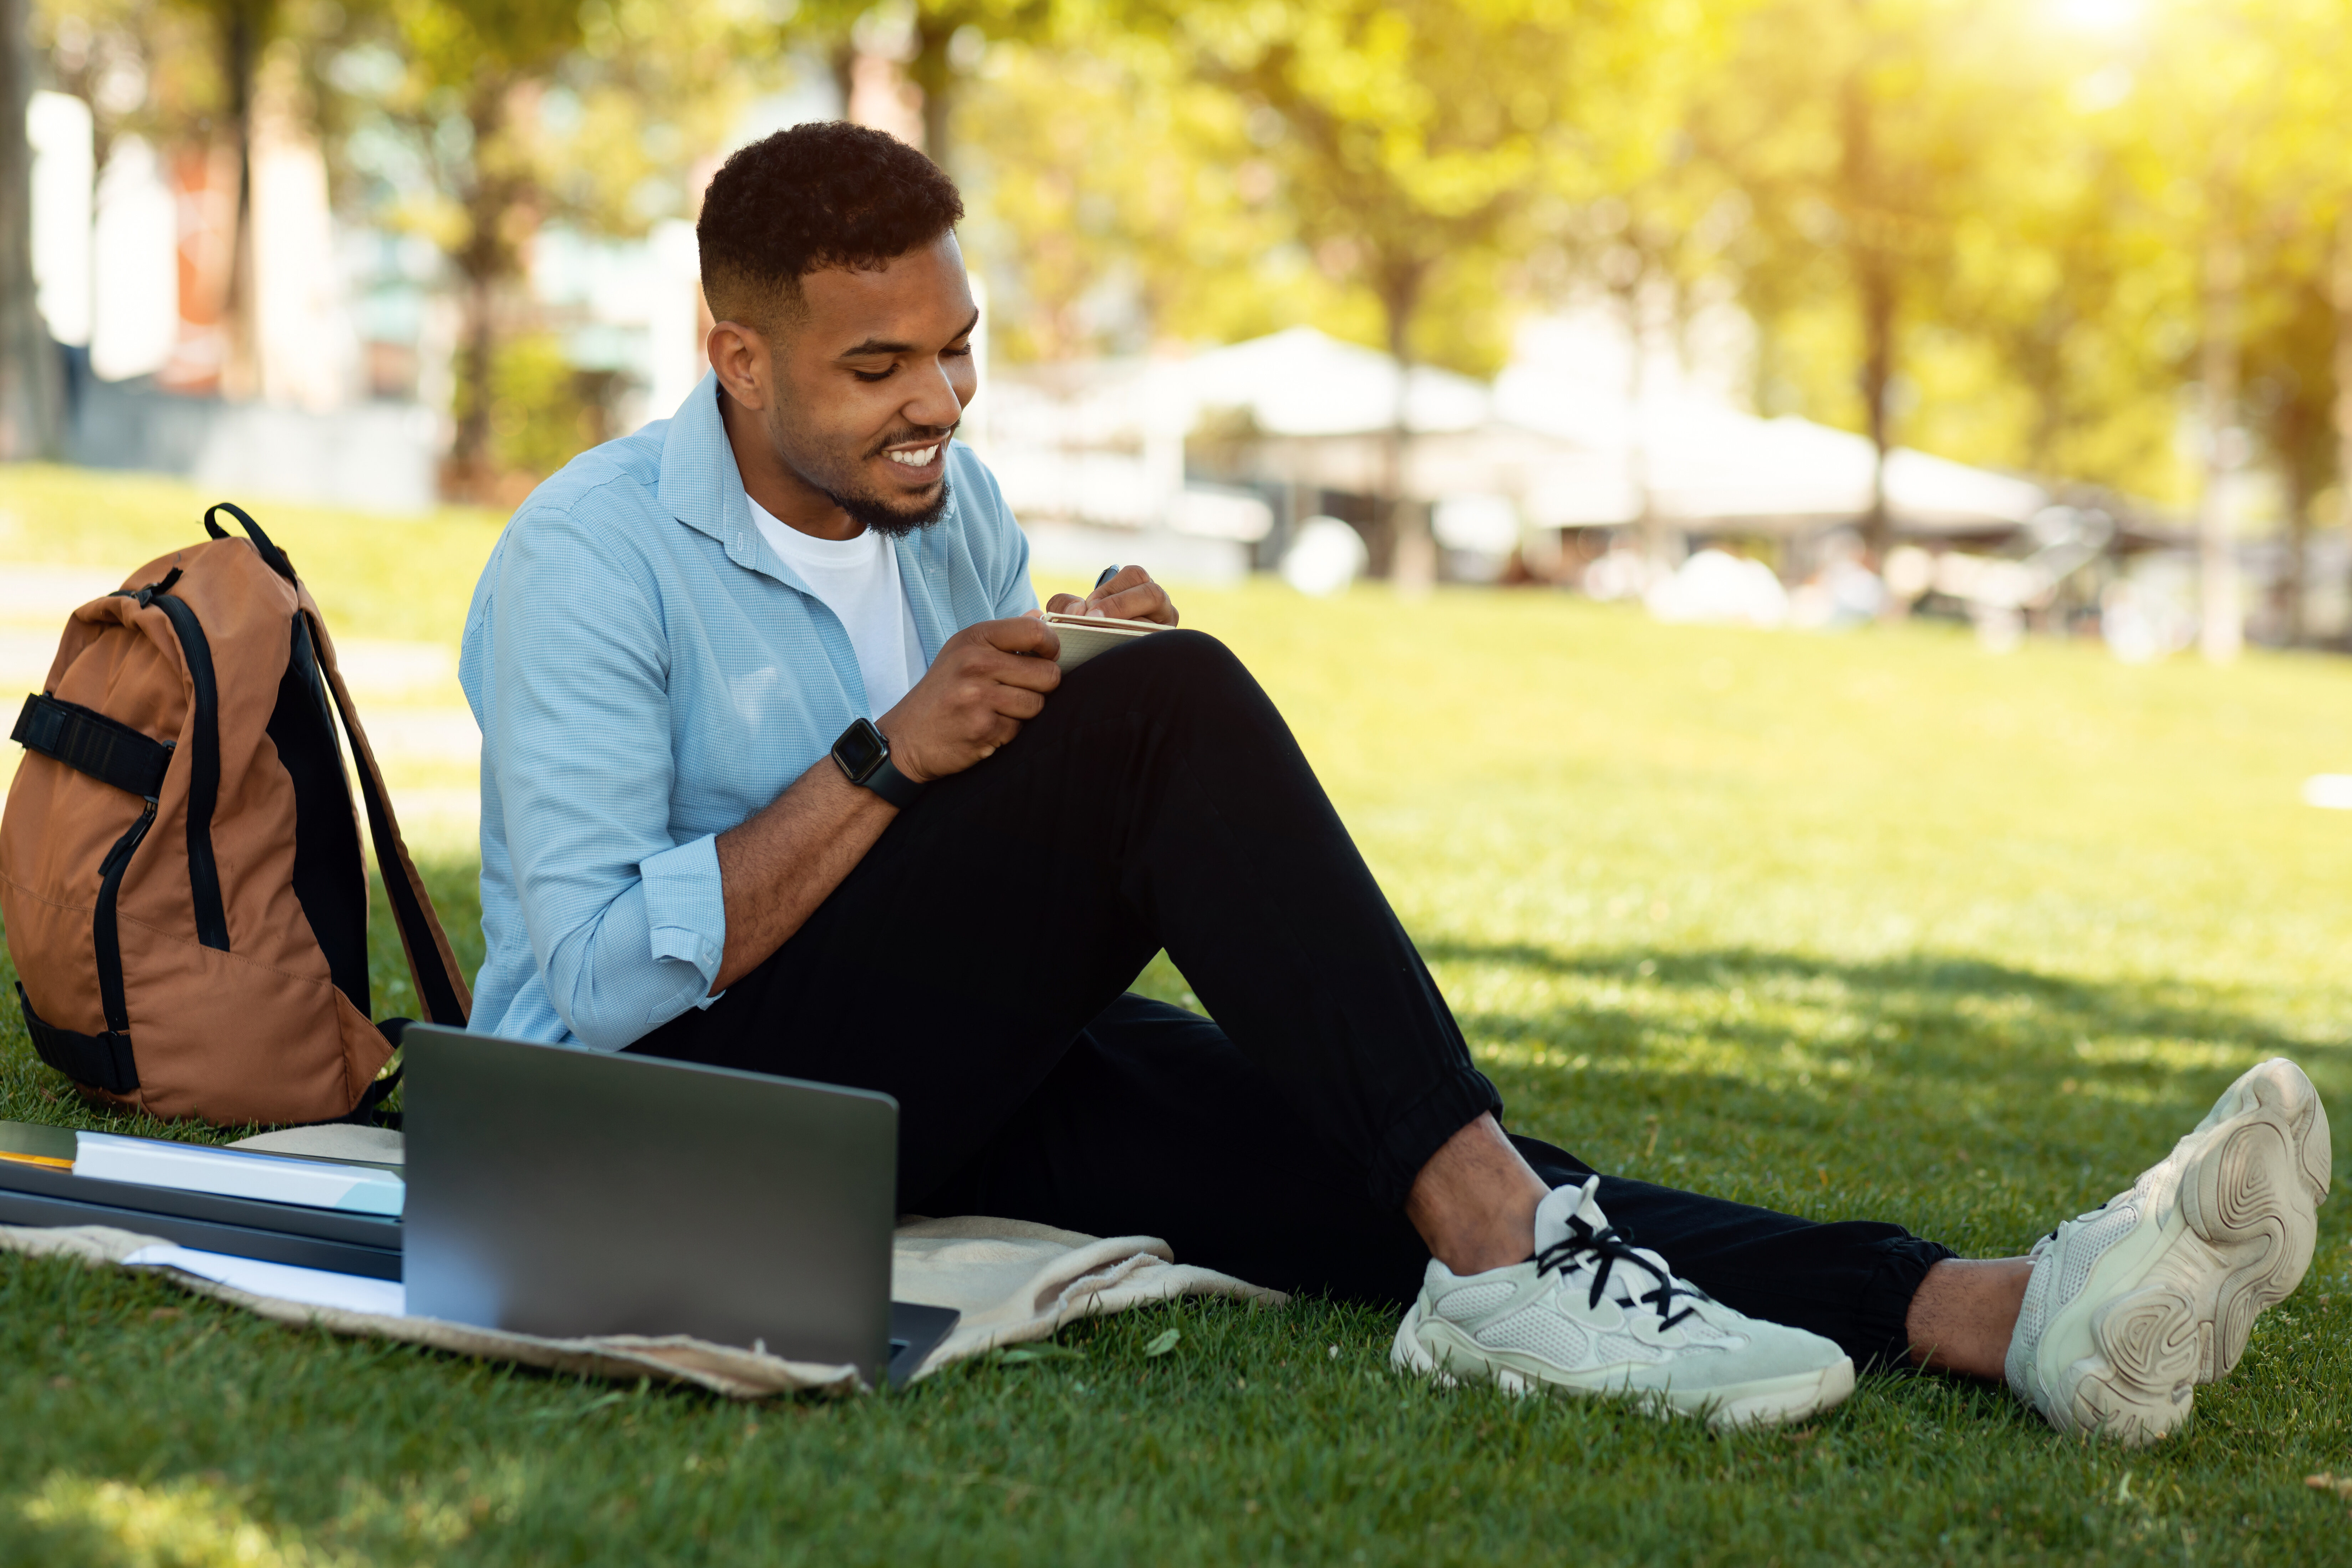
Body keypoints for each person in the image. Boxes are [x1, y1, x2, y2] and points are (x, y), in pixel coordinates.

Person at [458, 122, 2330, 1440]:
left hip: (897, 1076)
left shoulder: (948, 506)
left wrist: (1060, 677)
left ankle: (1997, 1316)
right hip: (638, 1160)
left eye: (956, 351)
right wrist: (899, 754)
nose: (936, 404)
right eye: (877, 367)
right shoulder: (587, 561)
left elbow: (969, 824)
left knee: (1406, 1152)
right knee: (1181, 723)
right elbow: (600, 988)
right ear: (736, 358)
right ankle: (1514, 1270)